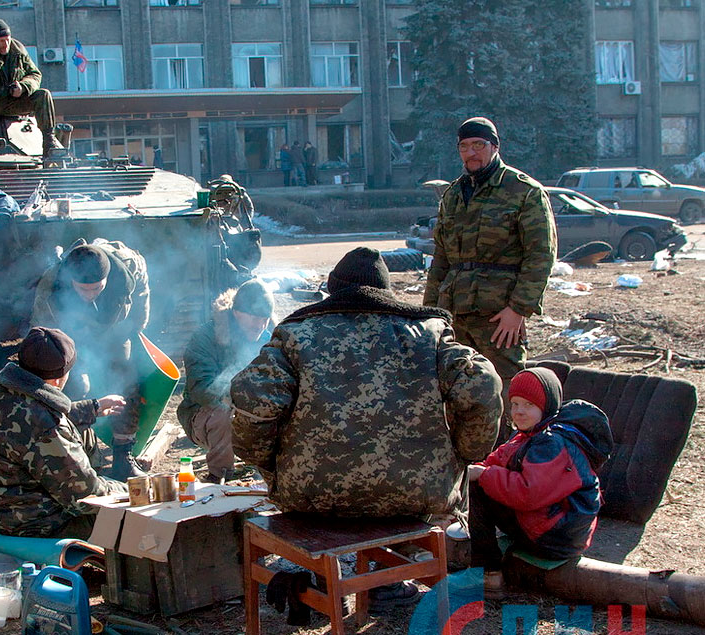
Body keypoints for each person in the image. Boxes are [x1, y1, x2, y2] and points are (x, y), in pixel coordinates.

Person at [233, 247, 502, 602]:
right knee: (408, 493)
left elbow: (255, 397)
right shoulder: (429, 333)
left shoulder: (296, 334)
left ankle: (357, 578)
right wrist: (465, 453)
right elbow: (482, 385)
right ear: (386, 291)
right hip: (416, 493)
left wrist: (268, 464)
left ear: (333, 290)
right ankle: (388, 579)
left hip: (311, 493)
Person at [424, 116, 556, 441]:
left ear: (494, 147)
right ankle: (472, 472)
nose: (472, 153)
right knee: (458, 396)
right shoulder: (453, 195)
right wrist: (429, 315)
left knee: (509, 396)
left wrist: (519, 309)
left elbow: (541, 254)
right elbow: (441, 259)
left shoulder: (523, 191)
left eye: (479, 145)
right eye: (465, 147)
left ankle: (513, 467)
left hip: (499, 318)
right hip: (455, 314)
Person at [0, 327, 127, 538]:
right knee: (132, 520)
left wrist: (92, 408)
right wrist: (131, 490)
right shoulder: (47, 427)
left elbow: (26, 424)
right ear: (57, 380)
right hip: (34, 527)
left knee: (83, 431)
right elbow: (86, 498)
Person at [467, 368, 612, 596]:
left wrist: (483, 475)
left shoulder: (551, 442)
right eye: (515, 404)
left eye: (528, 405)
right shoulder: (531, 433)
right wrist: (478, 469)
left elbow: (528, 493)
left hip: (559, 537)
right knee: (480, 479)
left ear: (547, 407)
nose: (519, 412)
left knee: (478, 487)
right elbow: (498, 459)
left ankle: (489, 574)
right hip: (552, 525)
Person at [31, 240, 150, 481]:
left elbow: (139, 318)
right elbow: (44, 332)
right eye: (83, 289)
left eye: (96, 288)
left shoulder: (129, 270)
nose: (89, 294)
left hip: (115, 330)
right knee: (75, 386)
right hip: (70, 337)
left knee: (125, 377)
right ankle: (75, 451)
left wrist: (114, 343)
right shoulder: (51, 284)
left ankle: (123, 455)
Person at [178, 280, 275, 484]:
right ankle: (218, 476)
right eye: (255, 318)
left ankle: (268, 474)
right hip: (202, 414)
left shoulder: (268, 337)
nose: (261, 325)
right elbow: (201, 390)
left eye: (265, 319)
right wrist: (242, 398)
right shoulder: (205, 337)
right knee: (225, 411)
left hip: (251, 413)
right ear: (237, 313)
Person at [0, 19, 62, 154]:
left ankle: (49, 140)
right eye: (1, 41)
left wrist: (23, 87)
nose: (6, 44)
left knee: (43, 94)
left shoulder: (18, 51)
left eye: (7, 39)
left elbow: (34, 74)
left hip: (14, 101)